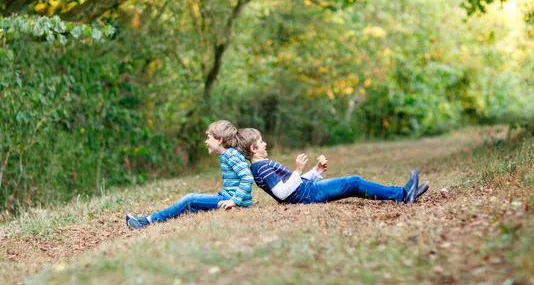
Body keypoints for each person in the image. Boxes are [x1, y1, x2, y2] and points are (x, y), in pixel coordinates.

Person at [236, 128, 428, 205]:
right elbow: (282, 193)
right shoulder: (262, 168)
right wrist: (298, 170)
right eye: (261, 142)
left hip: (306, 192)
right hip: (307, 196)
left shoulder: (260, 167)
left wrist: (315, 172)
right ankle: (402, 195)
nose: (265, 144)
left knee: (353, 185)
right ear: (254, 148)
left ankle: (402, 194)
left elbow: (292, 186)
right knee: (354, 182)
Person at [125, 120, 253, 229]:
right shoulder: (227, 154)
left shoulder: (231, 155)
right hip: (227, 197)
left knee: (190, 198)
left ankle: (147, 221)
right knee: (191, 206)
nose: (206, 141)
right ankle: (150, 219)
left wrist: (234, 201)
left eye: (208, 137)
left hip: (232, 200)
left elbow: (247, 177)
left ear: (219, 140)